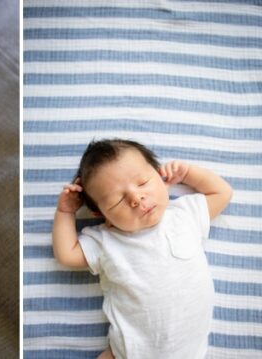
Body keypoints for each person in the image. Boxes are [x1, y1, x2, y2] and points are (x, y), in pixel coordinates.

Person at [52, 139, 232, 359]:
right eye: (118, 201)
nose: (136, 198)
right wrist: (65, 212)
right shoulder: (106, 240)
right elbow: (67, 255)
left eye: (143, 182)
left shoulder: (184, 214)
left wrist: (188, 174)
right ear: (101, 214)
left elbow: (222, 193)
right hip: (128, 351)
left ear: (160, 176)